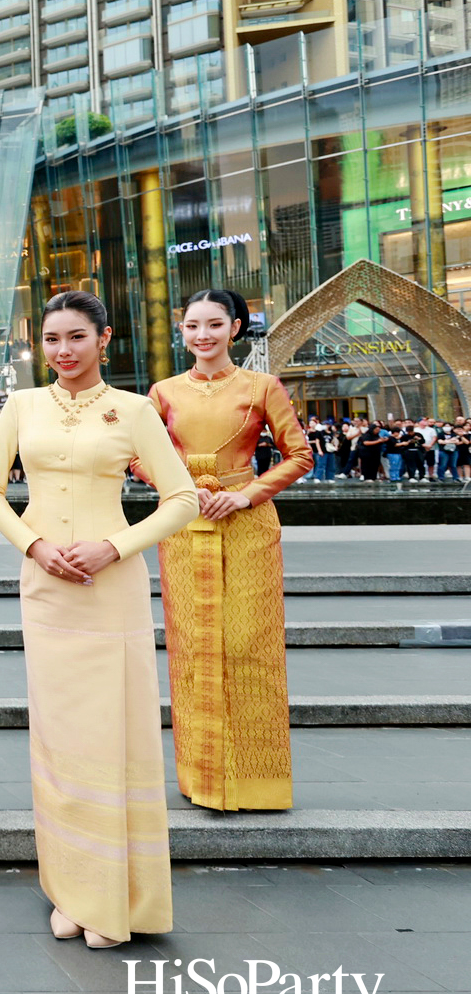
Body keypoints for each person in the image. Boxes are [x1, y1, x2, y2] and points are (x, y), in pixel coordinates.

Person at [0, 291, 197, 949]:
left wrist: (115, 546)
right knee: (59, 738)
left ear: (104, 339)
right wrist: (34, 545)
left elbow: (181, 498)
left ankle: (118, 897)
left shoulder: (133, 410)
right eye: (51, 339)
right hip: (46, 589)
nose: (63, 351)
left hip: (112, 589)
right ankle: (70, 890)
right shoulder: (23, 407)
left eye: (76, 337)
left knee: (114, 737)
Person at [136, 289, 312, 814]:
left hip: (247, 524)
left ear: (236, 328)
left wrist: (244, 493)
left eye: (215, 324)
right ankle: (202, 775)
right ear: (182, 331)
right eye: (193, 325)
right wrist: (182, 492)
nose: (203, 335)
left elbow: (299, 455)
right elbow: (138, 457)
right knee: (192, 648)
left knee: (248, 643)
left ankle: (257, 780)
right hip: (185, 525)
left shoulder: (262, 387)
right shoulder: (162, 392)